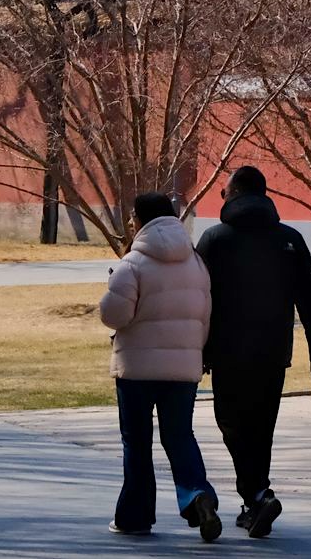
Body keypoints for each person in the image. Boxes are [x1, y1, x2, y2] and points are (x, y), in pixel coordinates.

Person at [194, 166, 311, 539]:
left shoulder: (215, 239)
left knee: (232, 425)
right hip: (273, 351)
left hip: (226, 351)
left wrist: (195, 348)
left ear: (234, 194)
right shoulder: (288, 239)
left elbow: (196, 298)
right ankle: (257, 497)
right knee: (261, 426)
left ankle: (256, 494)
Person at [98, 192, 222, 541]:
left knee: (137, 443)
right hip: (183, 368)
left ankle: (135, 516)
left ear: (139, 219)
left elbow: (114, 315)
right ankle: (197, 495)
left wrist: (109, 289)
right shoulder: (195, 262)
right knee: (180, 436)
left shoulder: (133, 263)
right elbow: (205, 316)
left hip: (136, 368)